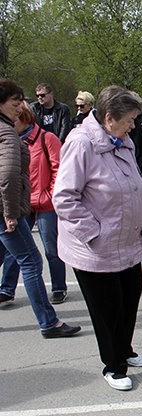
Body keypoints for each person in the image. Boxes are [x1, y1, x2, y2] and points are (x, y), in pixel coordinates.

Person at [54, 85, 142, 391]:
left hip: (125, 241)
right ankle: (113, 366)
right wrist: (94, 232)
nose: (134, 126)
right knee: (108, 308)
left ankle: (124, 349)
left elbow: (135, 183)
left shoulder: (123, 141)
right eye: (129, 119)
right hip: (95, 247)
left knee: (130, 297)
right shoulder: (81, 143)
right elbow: (64, 199)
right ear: (109, 118)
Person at [0, 78, 81, 338]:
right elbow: (9, 175)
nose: (19, 107)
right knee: (31, 261)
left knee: (41, 252)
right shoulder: (6, 134)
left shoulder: (35, 135)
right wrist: (11, 212)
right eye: (15, 102)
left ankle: (57, 294)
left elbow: (56, 169)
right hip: (8, 209)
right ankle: (48, 322)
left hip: (36, 202)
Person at [1, 101, 68, 304]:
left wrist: (50, 195)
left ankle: (58, 287)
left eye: (15, 119)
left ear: (25, 119)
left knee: (51, 248)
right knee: (15, 250)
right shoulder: (7, 140)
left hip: (45, 203)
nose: (11, 122)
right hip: (22, 203)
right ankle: (6, 288)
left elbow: (59, 170)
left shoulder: (47, 138)